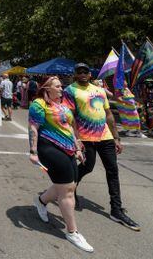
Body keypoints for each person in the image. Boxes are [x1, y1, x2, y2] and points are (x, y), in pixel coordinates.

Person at [63, 63, 140, 231]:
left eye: (86, 71)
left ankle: (116, 209)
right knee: (87, 166)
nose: (83, 74)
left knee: (112, 170)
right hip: (85, 137)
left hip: (105, 136)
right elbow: (71, 117)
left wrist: (116, 137)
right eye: (79, 71)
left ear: (90, 74)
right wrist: (76, 140)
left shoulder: (99, 90)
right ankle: (71, 186)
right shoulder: (70, 90)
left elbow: (109, 114)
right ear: (75, 74)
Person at [29, 76, 92, 253]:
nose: (61, 89)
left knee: (67, 185)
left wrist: (77, 146)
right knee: (67, 189)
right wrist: (33, 152)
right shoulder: (39, 105)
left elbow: (69, 126)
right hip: (48, 148)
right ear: (47, 89)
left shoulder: (63, 105)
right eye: (57, 86)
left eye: (61, 86)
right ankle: (72, 232)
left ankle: (41, 201)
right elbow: (33, 128)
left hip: (69, 148)